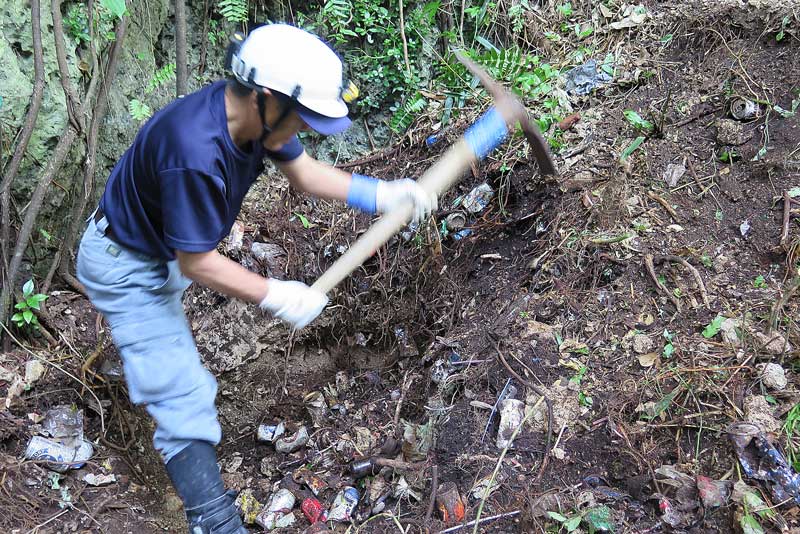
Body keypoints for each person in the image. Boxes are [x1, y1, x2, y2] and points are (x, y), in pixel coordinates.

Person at [76, 23, 436, 534]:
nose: (306, 130)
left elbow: (307, 175)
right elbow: (196, 262)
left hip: (157, 252)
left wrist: (382, 195)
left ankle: (142, 362)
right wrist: (275, 295)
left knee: (167, 358)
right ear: (267, 99)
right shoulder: (194, 151)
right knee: (183, 392)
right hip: (126, 264)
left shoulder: (252, 121)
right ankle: (214, 522)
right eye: (303, 119)